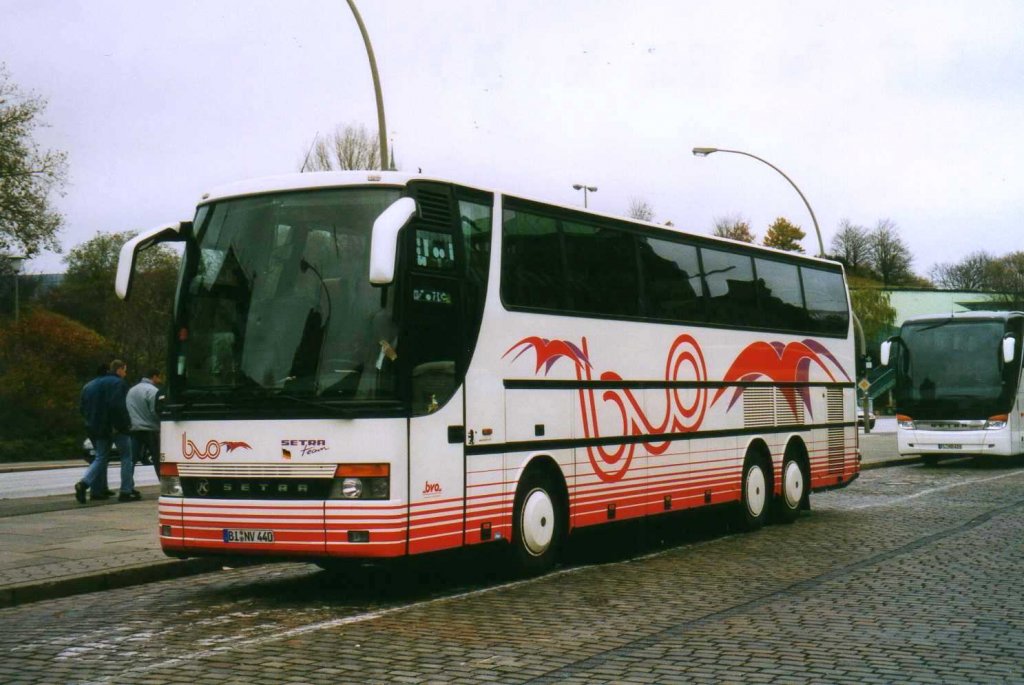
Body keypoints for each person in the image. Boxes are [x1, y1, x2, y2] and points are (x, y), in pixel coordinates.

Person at [75, 359, 139, 503]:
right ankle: (125, 491)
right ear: (119, 370)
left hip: (97, 428)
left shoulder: (88, 386)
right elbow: (118, 406)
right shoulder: (118, 383)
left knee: (100, 457)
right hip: (116, 427)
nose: (125, 373)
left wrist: (92, 423)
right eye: (124, 370)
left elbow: (82, 408)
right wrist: (125, 424)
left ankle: (84, 483)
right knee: (126, 458)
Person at [127, 369, 162, 479]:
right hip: (151, 429)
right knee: (157, 459)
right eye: (159, 377)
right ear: (154, 377)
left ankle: (127, 487)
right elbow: (154, 410)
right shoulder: (153, 391)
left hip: (135, 429)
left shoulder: (131, 390)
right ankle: (163, 483)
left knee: (131, 459)